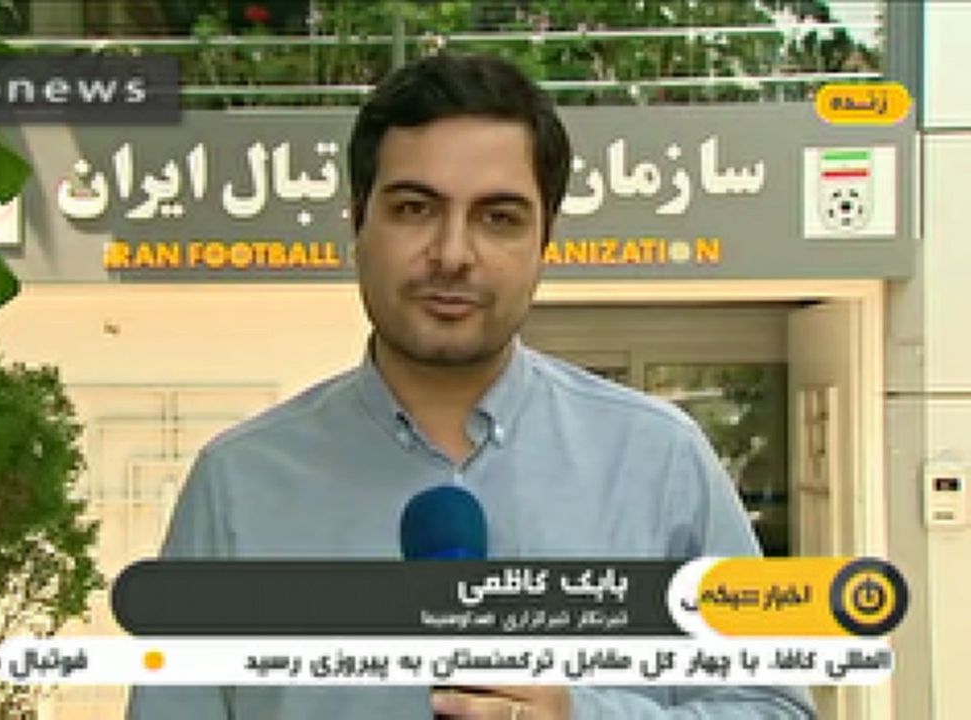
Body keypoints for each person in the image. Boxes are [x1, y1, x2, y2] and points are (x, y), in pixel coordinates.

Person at [127, 53, 815, 719]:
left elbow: (773, 707)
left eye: (499, 218)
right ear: (357, 223)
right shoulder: (238, 484)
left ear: (546, 241)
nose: (453, 254)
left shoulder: (659, 460)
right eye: (414, 209)